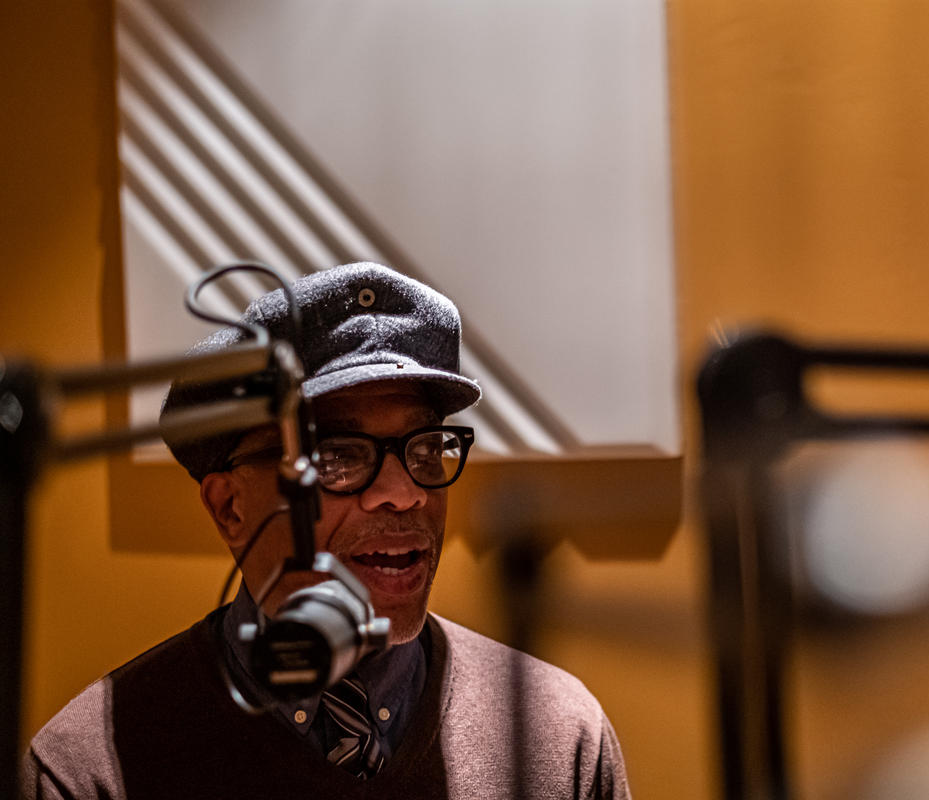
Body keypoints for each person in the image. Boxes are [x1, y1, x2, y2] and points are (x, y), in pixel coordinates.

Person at [22, 262, 631, 799]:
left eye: (425, 448)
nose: (406, 492)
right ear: (230, 507)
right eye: (337, 454)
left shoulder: (559, 734)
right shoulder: (89, 768)